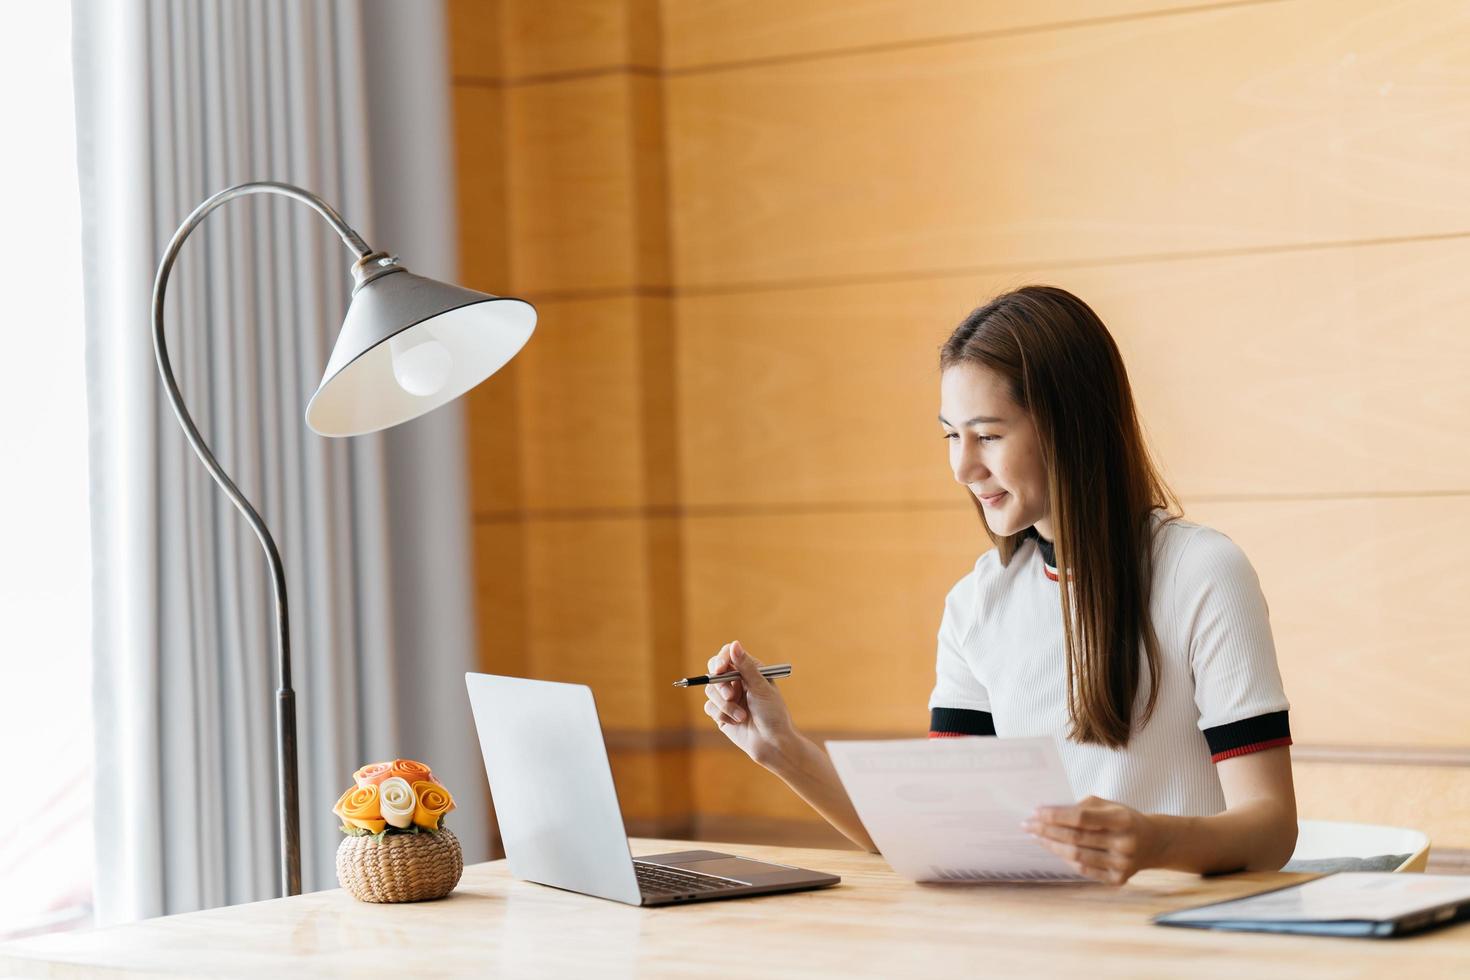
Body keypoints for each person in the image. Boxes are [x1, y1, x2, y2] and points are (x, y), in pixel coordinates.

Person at [702, 285, 1297, 885]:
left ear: (1072, 428)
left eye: (987, 435)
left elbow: (1271, 829)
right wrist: (782, 750)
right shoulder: (976, 603)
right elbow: (938, 831)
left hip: (1172, 941)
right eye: (950, 436)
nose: (962, 467)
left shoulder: (1203, 571)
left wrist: (1153, 839)